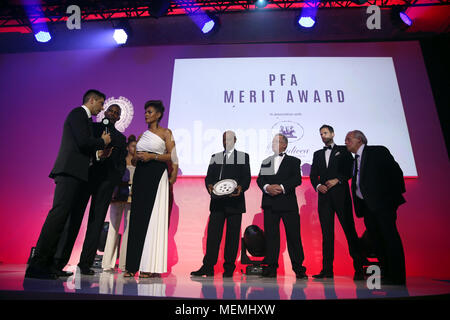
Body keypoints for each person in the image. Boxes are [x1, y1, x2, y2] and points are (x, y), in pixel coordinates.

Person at [25, 89, 111, 279]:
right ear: (92, 100)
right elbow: (82, 142)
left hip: (77, 174)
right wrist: (101, 142)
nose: (102, 108)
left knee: (65, 221)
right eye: (101, 103)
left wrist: (98, 153)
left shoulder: (86, 120)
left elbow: (83, 147)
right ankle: (37, 265)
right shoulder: (78, 113)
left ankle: (51, 266)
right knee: (58, 217)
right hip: (69, 173)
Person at [53, 104, 127, 275]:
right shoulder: (92, 128)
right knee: (74, 219)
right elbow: (83, 148)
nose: (113, 114)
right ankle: (58, 262)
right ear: (105, 112)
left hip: (106, 184)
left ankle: (85, 263)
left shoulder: (121, 139)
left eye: (117, 113)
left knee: (97, 222)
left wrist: (114, 181)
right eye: (111, 111)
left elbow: (121, 164)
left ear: (119, 117)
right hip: (86, 178)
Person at [124, 100, 178, 278]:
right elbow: (132, 160)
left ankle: (149, 266)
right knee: (137, 219)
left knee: (153, 218)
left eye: (150, 112)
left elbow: (173, 155)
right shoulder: (142, 135)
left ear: (158, 114)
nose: (146, 114)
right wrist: (137, 159)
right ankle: (132, 266)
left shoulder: (165, 133)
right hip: (141, 177)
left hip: (157, 176)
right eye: (146, 112)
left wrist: (152, 156)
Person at [345, 130, 406, 285]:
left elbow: (396, 173)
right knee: (377, 241)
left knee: (390, 238)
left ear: (360, 140)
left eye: (348, 139)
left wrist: (390, 199)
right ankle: (386, 273)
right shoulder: (354, 161)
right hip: (367, 208)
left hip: (383, 205)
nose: (346, 142)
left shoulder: (377, 151)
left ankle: (397, 276)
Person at [191, 131, 251, 278]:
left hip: (235, 202)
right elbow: (209, 177)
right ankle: (208, 267)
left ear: (235, 140)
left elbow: (246, 178)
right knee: (213, 236)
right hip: (217, 203)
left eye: (229, 139)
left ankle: (229, 268)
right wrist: (210, 186)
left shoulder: (243, 157)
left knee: (232, 237)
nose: (226, 141)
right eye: (224, 139)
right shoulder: (215, 157)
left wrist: (240, 188)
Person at [310, 125, 364, 280]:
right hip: (324, 198)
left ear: (332, 134)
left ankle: (359, 268)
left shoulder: (345, 150)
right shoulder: (317, 154)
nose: (323, 135)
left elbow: (350, 170)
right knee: (326, 234)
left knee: (349, 231)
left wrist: (338, 180)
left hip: (341, 196)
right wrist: (318, 186)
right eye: (321, 134)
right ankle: (327, 270)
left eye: (326, 133)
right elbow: (314, 175)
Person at [256, 134, 307, 279]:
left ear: (285, 145)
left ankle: (299, 268)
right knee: (271, 237)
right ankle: (271, 268)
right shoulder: (267, 161)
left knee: (293, 236)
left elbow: (296, 179)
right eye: (272, 142)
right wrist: (267, 187)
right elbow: (261, 179)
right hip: (270, 203)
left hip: (288, 204)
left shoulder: (293, 161)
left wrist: (282, 187)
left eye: (276, 142)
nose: (273, 144)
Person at [102, 135, 137, 272]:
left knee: (129, 231)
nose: (135, 149)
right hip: (117, 197)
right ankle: (107, 264)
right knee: (113, 229)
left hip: (131, 199)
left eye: (137, 146)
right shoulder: (121, 161)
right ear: (128, 147)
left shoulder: (138, 164)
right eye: (133, 146)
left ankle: (124, 264)